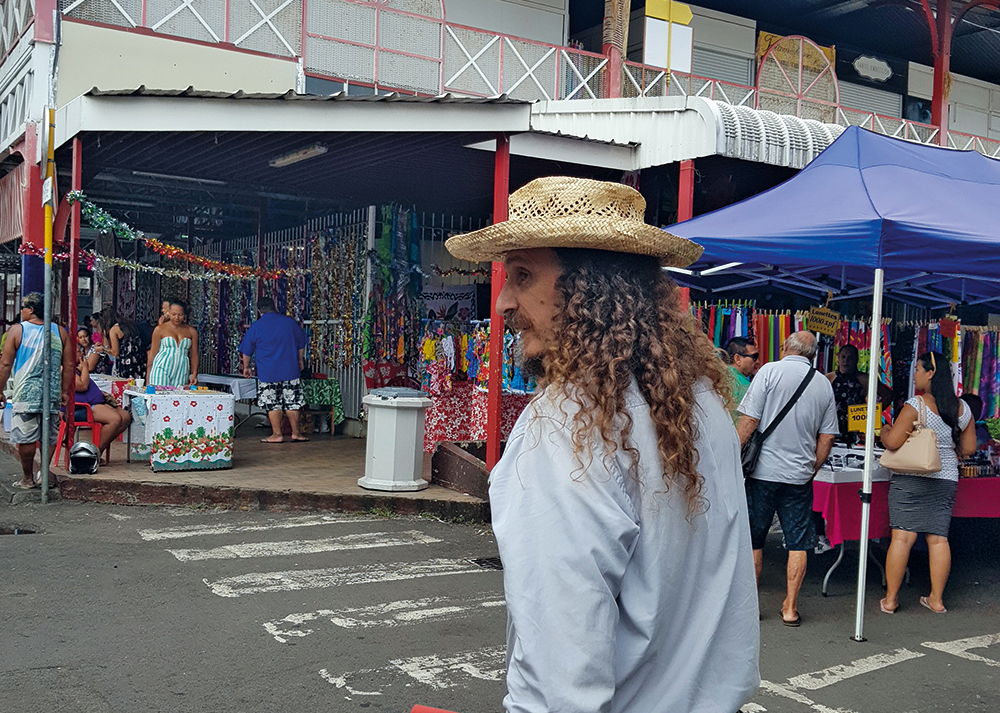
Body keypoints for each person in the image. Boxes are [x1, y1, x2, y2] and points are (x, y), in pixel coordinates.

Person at [445, 176, 759, 713]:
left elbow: (560, 670)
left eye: (522, 275)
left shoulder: (566, 424)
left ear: (589, 287)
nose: (502, 302)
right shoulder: (702, 402)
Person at [737, 331, 838, 626]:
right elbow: (827, 436)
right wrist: (812, 468)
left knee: (755, 540)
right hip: (798, 477)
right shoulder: (822, 383)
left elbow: (749, 421)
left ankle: (751, 607)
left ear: (784, 348)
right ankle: (790, 607)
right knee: (798, 542)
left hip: (762, 473)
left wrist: (731, 453)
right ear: (813, 354)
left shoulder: (769, 371)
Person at [879, 352, 976, 614]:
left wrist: (884, 430)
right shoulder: (962, 409)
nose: (915, 375)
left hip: (911, 477)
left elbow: (893, 442)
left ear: (930, 373)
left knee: (902, 538)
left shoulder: (916, 406)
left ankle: (890, 600)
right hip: (945, 478)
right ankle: (936, 600)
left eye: (918, 370)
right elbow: (968, 448)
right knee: (938, 539)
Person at [0, 293, 75, 489]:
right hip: (51, 395)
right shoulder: (60, 332)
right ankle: (44, 472)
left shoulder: (16, 331)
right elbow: (68, 364)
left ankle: (27, 478)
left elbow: (5, 364)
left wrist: (0, 390)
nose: (21, 311)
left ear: (31, 309)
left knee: (25, 438)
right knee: (48, 436)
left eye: (23, 308)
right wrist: (64, 391)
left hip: (25, 394)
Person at [240, 296, 309, 443]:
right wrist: (300, 360)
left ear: (259, 310)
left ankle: (277, 434)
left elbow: (247, 350)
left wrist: (246, 367)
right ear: (275, 307)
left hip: (267, 372)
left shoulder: (256, 327)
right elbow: (301, 343)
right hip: (290, 370)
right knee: (293, 402)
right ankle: (296, 433)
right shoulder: (290, 323)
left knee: (273, 404)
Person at [73, 343, 132, 457]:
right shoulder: (67, 370)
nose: (81, 353)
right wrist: (85, 367)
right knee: (114, 419)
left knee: (125, 417)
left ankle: (98, 450)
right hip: (83, 406)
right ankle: (93, 454)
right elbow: (82, 386)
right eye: (78, 351)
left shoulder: (78, 368)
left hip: (96, 402)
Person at [826, 344, 892, 441]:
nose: (846, 361)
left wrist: (870, 414)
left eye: (850, 358)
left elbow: (888, 395)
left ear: (856, 360)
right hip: (830, 426)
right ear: (838, 358)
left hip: (855, 429)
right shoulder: (828, 378)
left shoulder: (864, 379)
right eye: (843, 357)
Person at [147, 299, 199, 387]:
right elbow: (152, 353)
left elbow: (194, 355)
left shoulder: (191, 331)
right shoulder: (160, 329)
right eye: (173, 314)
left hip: (181, 369)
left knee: (178, 397)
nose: (176, 318)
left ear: (185, 315)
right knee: (159, 395)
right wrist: (148, 377)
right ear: (168, 313)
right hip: (161, 367)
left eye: (180, 315)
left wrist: (194, 373)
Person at [102, 307, 145, 380]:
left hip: (125, 364)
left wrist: (103, 350)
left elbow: (115, 353)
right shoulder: (130, 324)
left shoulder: (114, 330)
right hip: (139, 360)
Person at [726, 336, 758, 422]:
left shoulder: (716, 376)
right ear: (738, 359)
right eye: (754, 357)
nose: (758, 361)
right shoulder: (745, 387)